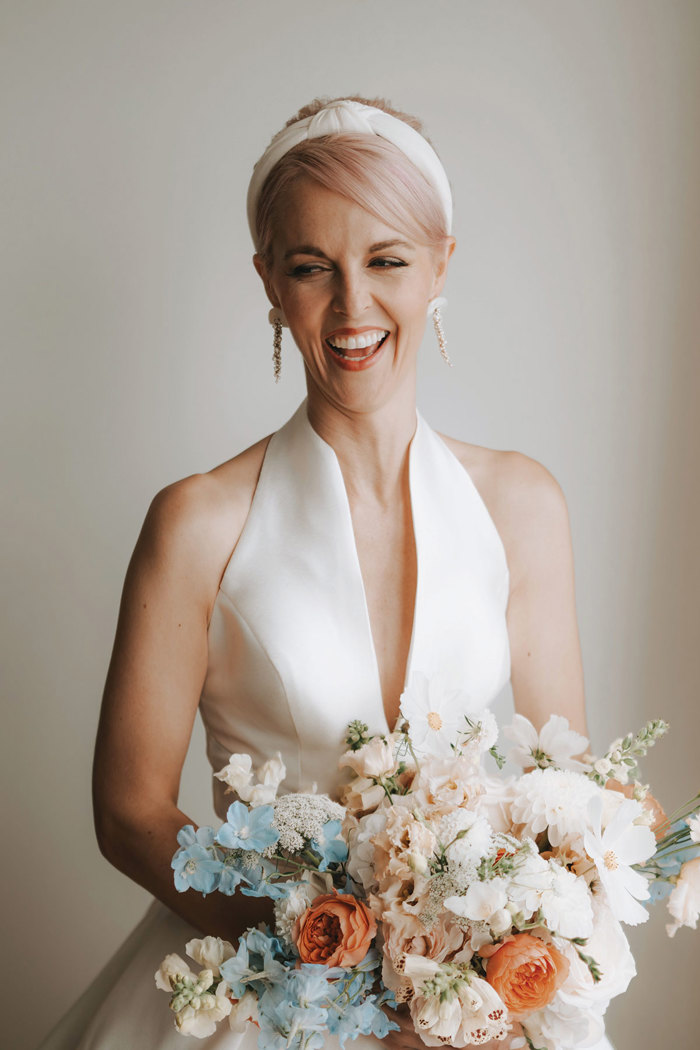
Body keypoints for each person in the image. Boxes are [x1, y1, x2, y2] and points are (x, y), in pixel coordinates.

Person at [37, 96, 613, 1050]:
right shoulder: (197, 522)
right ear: (269, 281)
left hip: (467, 1006)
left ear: (440, 267)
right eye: (312, 268)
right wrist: (331, 960)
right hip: (257, 985)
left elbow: (564, 786)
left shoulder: (524, 504)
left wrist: (469, 965)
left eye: (386, 260)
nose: (352, 307)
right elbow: (128, 811)